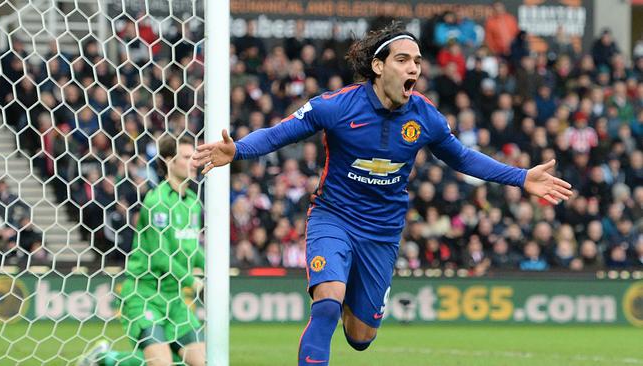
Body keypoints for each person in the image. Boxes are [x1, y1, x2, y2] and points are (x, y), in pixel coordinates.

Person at [193, 22, 573, 366]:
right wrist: (238, 150)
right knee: (327, 302)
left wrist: (521, 177)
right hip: (334, 217)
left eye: (418, 62)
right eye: (404, 60)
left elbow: (462, 158)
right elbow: (279, 133)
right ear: (378, 66)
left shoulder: (425, 117)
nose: (414, 69)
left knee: (361, 338)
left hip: (382, 232)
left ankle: (357, 301)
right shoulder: (337, 106)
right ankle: (334, 293)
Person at [79, 135, 205, 366]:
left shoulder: (193, 203)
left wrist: (213, 271)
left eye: (195, 157)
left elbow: (194, 249)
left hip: (175, 300)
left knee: (202, 362)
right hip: (145, 295)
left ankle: (107, 358)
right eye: (187, 157)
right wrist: (193, 282)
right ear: (168, 161)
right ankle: (105, 359)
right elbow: (159, 256)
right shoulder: (156, 201)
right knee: (162, 364)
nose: (194, 162)